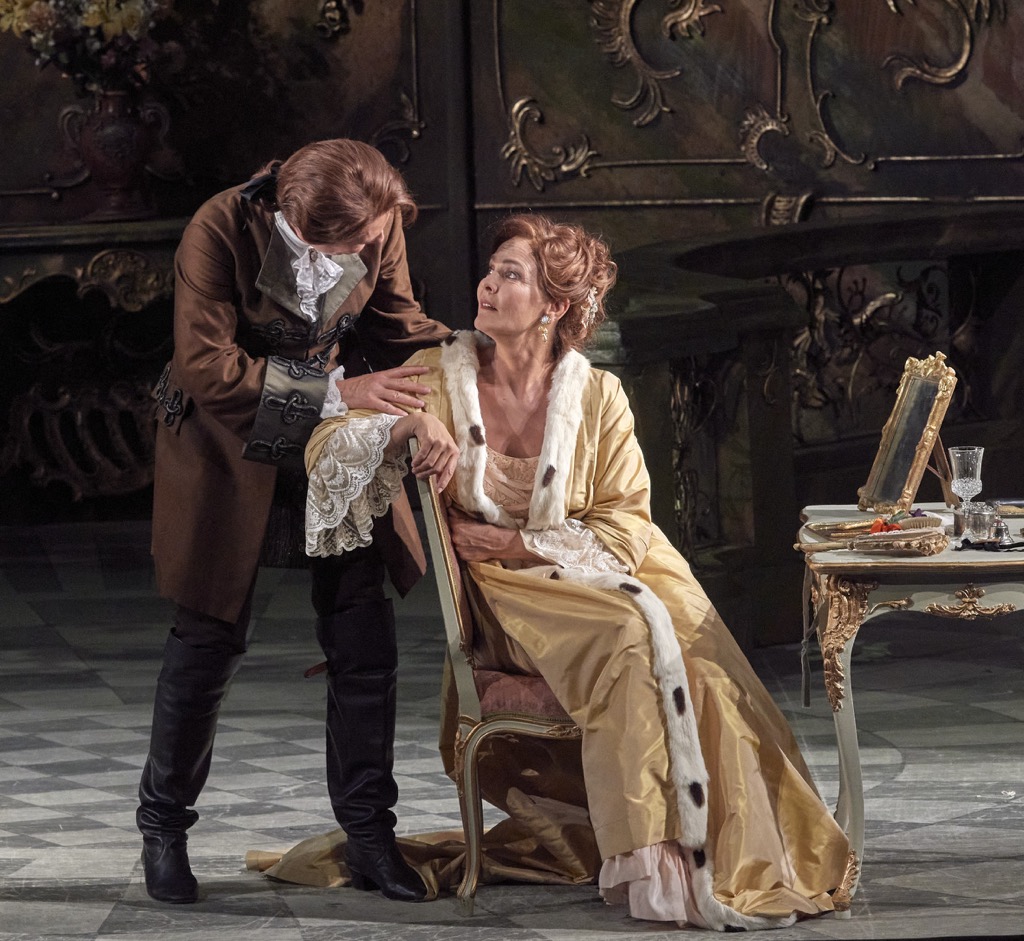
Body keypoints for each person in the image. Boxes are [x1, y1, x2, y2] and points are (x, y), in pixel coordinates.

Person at [298, 213, 855, 929]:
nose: (487, 285)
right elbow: (328, 442)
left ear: (554, 306)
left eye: (510, 275)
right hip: (512, 600)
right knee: (630, 640)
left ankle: (725, 852)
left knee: (703, 662)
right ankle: (653, 861)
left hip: (604, 567)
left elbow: (627, 521)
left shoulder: (598, 396)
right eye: (491, 270)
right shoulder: (440, 376)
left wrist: (517, 542)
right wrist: (407, 425)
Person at [139, 138, 451, 905]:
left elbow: (398, 323)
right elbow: (208, 369)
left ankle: (370, 834)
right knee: (208, 633)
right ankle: (164, 827)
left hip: (335, 432)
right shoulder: (218, 229)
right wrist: (343, 393)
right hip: (229, 428)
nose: (372, 246)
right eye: (356, 242)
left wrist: (488, 366)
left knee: (362, 627)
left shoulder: (377, 216)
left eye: (376, 235)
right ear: (307, 229)